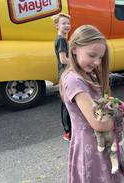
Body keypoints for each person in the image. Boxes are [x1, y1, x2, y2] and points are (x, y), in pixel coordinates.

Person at [59, 25, 123, 183]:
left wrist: (113, 104)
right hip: (91, 148)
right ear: (74, 49)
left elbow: (98, 105)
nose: (97, 62)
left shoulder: (88, 74)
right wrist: (119, 113)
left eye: (100, 57)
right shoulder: (74, 80)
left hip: (100, 144)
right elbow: (98, 123)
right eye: (92, 55)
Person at [52, 13, 72, 141]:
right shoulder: (61, 40)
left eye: (68, 23)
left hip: (65, 74)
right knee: (66, 103)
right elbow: (63, 59)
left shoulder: (62, 39)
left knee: (67, 103)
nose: (67, 25)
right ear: (57, 25)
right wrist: (78, 62)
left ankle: (69, 130)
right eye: (63, 23)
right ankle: (68, 132)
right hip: (65, 74)